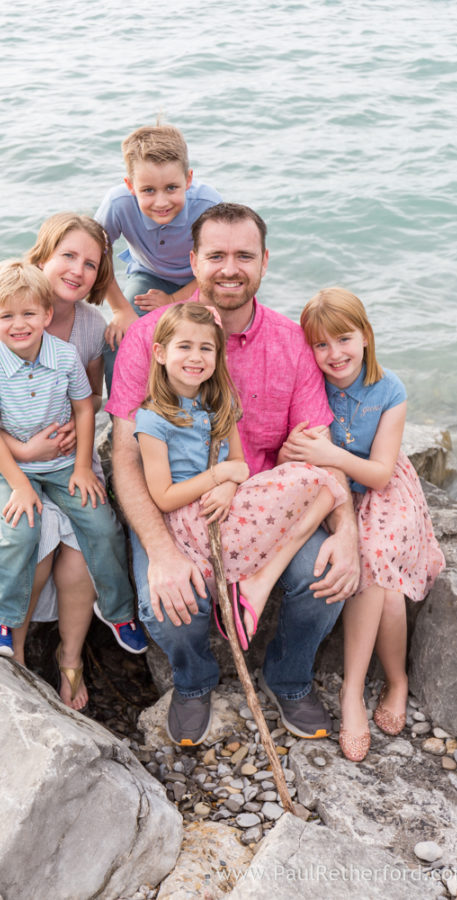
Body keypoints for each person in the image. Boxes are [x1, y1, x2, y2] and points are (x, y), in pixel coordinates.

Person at [106, 202, 360, 746]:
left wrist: (348, 532)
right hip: (175, 504)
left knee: (326, 575)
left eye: (244, 255)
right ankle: (193, 680)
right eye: (216, 255)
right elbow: (125, 455)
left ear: (264, 262)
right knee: (167, 601)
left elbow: (321, 454)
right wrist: (161, 550)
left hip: (265, 504)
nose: (229, 268)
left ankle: (289, 678)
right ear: (193, 261)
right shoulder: (150, 338)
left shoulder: (292, 343)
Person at [0, 213, 147, 712]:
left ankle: (72, 659)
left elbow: (86, 397)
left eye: (91, 264)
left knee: (84, 533)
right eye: (67, 255)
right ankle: (16, 659)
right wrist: (23, 453)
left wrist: (80, 456)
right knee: (40, 526)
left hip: (55, 456)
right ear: (42, 256)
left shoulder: (88, 327)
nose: (77, 270)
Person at [285, 287, 445, 761]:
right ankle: (383, 685)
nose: (334, 354)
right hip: (334, 493)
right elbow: (292, 450)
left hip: (382, 489)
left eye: (344, 339)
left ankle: (363, 689)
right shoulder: (311, 383)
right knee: (387, 594)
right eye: (320, 344)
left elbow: (378, 471)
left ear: (366, 337)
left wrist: (330, 453)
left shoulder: (389, 388)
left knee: (373, 562)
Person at [135, 302, 347, 653]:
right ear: (159, 352)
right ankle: (252, 584)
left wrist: (230, 485)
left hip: (229, 502)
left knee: (327, 486)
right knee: (319, 484)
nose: (195, 357)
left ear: (218, 356)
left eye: (206, 348)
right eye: (184, 347)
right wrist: (219, 477)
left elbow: (240, 466)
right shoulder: (153, 420)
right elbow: (164, 497)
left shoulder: (221, 404)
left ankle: (259, 582)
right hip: (194, 518)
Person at [0, 260, 136, 686]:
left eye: (28, 314)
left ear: (46, 314)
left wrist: (82, 466)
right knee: (22, 528)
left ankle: (117, 613)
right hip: (12, 467)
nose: (19, 324)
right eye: (6, 316)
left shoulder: (63, 356)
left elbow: (85, 407)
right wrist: (20, 485)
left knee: (101, 521)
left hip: (63, 464)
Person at [94, 123, 222, 393]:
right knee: (118, 339)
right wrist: (121, 310)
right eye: (149, 190)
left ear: (188, 180)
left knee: (212, 339)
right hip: (149, 275)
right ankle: (123, 418)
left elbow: (220, 265)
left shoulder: (208, 205)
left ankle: (205, 412)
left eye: (172, 188)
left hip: (202, 279)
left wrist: (176, 300)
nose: (161, 202)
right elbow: (96, 254)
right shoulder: (118, 204)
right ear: (130, 185)